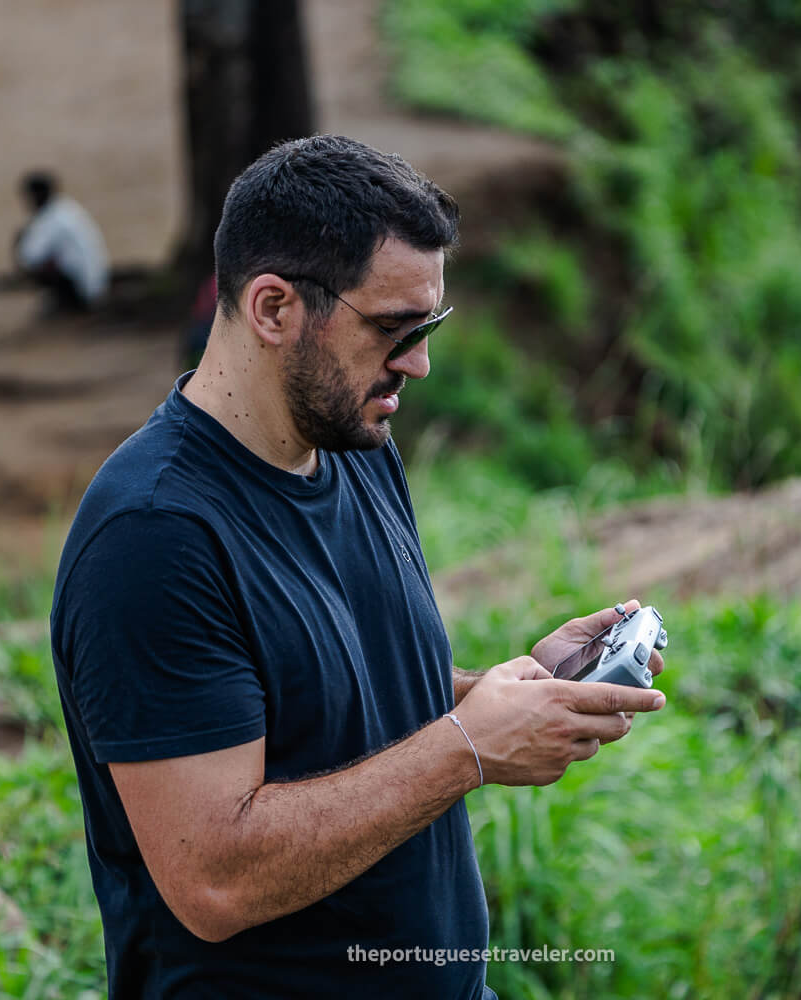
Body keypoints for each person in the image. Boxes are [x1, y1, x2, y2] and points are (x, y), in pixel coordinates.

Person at [49, 134, 667, 999]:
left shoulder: (356, 441)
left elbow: (333, 690)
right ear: (272, 309)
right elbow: (215, 878)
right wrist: (466, 750)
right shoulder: (154, 540)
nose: (416, 363)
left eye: (430, 327)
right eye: (392, 330)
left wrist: (501, 692)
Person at [14, 169, 109, 310]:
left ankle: (66, 302)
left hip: (82, 290)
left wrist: (20, 240)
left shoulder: (51, 219)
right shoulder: (67, 208)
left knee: (30, 253)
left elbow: (30, 257)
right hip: (98, 284)